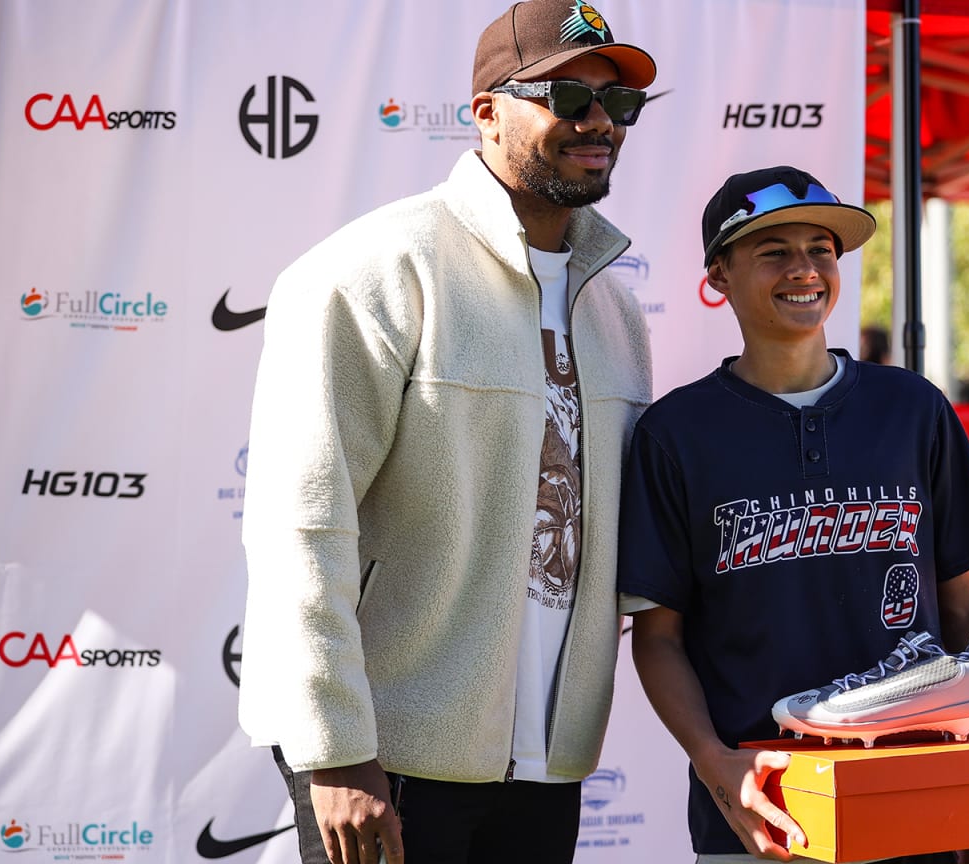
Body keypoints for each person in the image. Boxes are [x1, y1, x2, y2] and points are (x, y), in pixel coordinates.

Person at [236, 3, 657, 863]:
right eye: (569, 94)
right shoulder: (371, 271)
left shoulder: (616, 308)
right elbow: (301, 528)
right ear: (488, 111)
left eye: (619, 105)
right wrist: (337, 749)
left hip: (548, 761)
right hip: (388, 759)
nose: (596, 122)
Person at [617, 166, 969, 863]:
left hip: (920, 797)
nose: (804, 269)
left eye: (821, 248)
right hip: (766, 815)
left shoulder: (912, 409)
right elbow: (658, 638)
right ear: (718, 275)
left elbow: (965, 612)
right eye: (774, 251)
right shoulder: (677, 433)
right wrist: (715, 765)